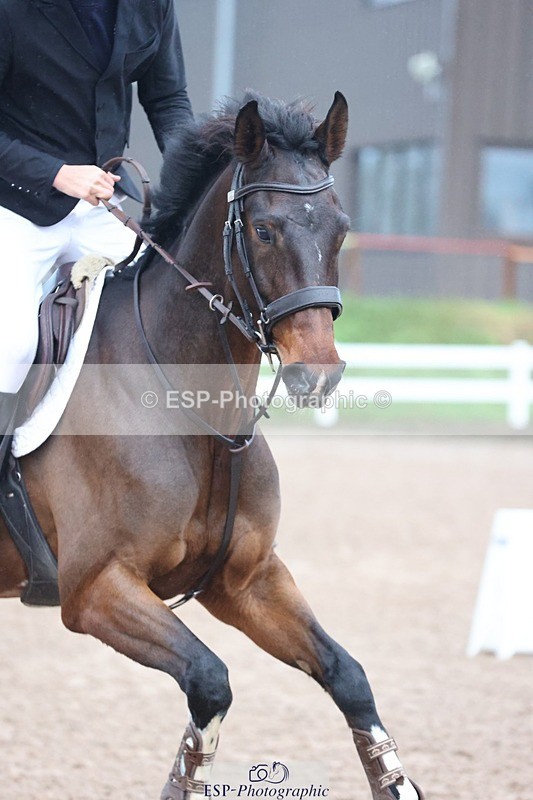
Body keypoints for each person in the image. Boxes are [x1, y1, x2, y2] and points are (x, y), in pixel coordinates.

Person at [0, 0, 193, 459]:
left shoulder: (152, 5)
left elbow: (168, 99)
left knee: (174, 305)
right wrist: (56, 173)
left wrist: (198, 175)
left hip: (103, 205)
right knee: (13, 343)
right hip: (16, 205)